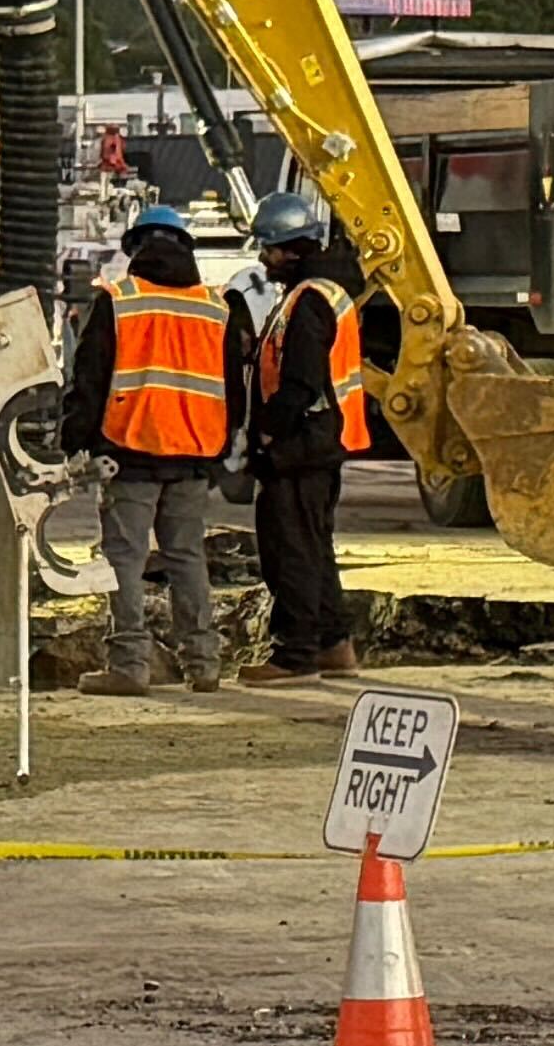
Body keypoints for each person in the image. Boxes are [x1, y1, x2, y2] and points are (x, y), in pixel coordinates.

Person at [58, 203, 248, 697]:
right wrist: (219, 449)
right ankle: (203, 665)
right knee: (186, 556)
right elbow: (233, 389)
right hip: (194, 453)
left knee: (124, 558)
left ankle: (129, 666)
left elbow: (89, 377)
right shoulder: (217, 307)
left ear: (136, 248)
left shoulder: (120, 301)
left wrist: (72, 440)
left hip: (130, 449)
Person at [238, 185, 371, 682]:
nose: (263, 259)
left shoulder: (309, 301)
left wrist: (268, 434)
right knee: (313, 548)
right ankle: (334, 646)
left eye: (268, 249)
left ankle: (294, 655)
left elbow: (300, 380)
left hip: (302, 443)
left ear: (288, 249)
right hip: (321, 442)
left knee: (290, 551)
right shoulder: (322, 292)